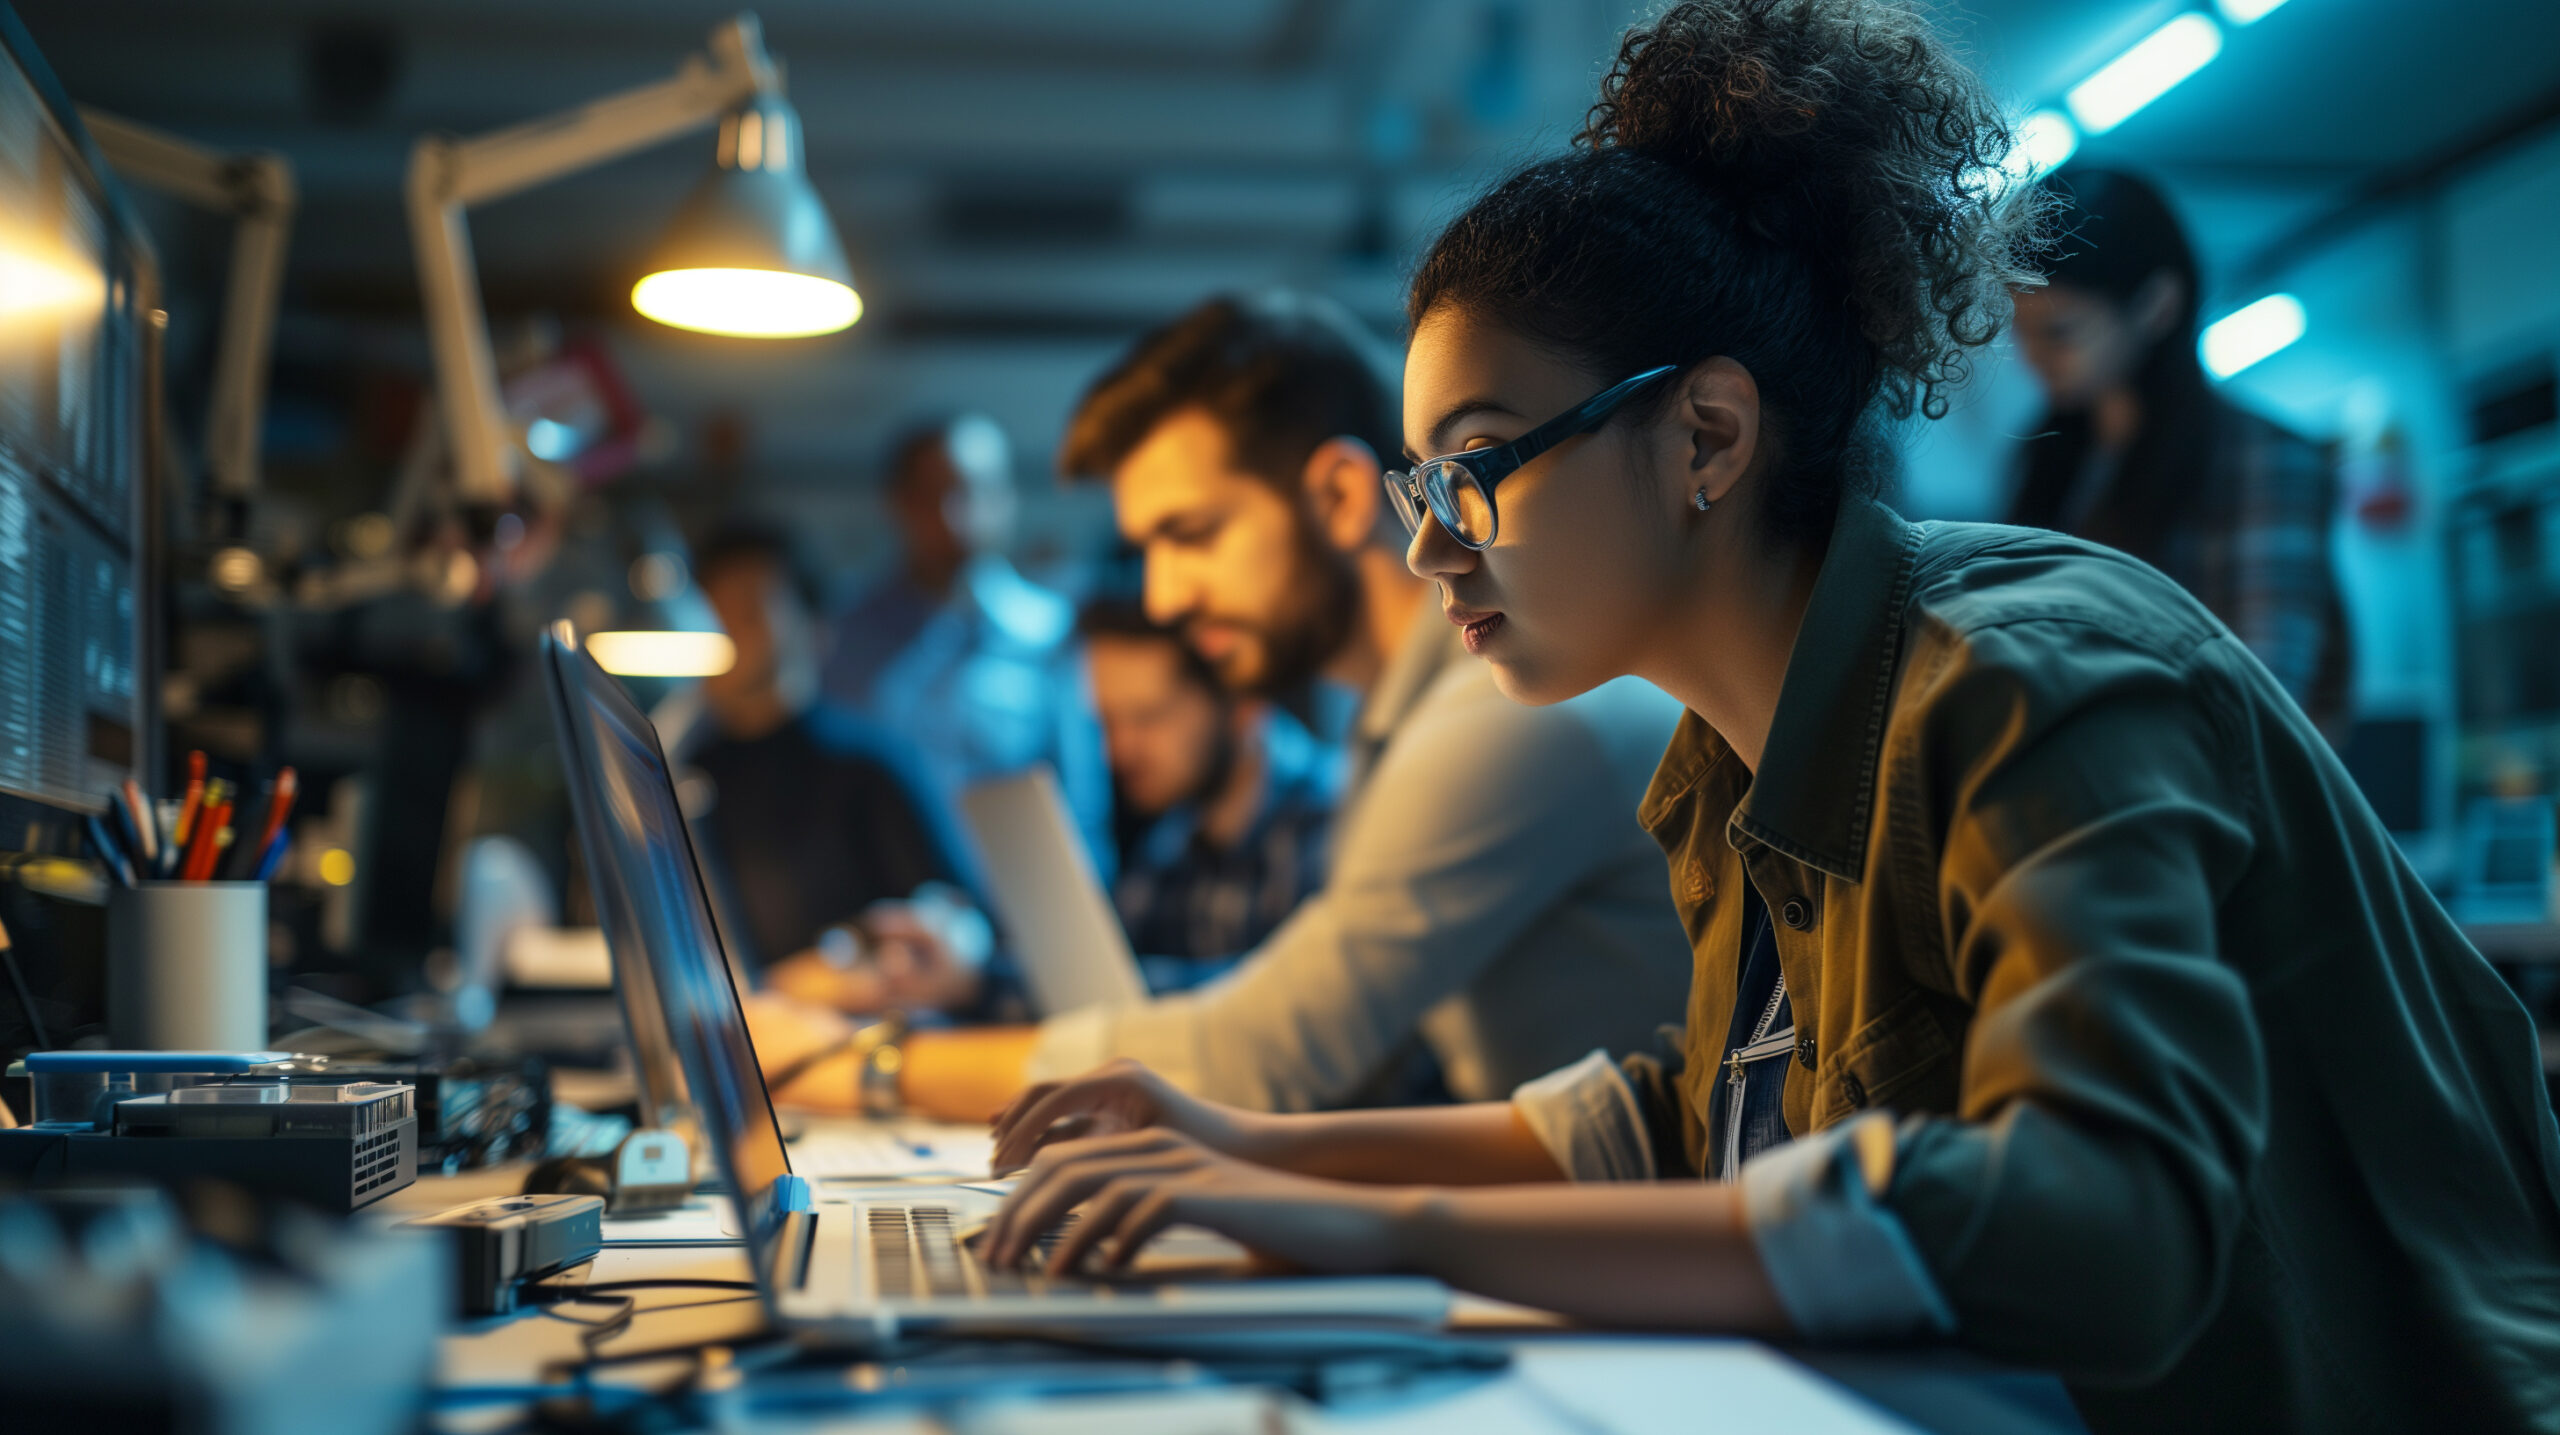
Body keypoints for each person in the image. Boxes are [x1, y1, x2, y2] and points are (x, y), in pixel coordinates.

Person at [963, 5, 2560, 1433]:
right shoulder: (1724, 763)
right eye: (1418, 483)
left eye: (1477, 465)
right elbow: (1700, 1113)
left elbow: (2108, 1229)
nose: (1427, 542)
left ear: (1706, 435)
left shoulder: (2030, 682)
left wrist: (1391, 1234)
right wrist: (1249, 1146)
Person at [747, 291, 1694, 1123]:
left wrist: (861, 1063)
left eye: (1191, 534)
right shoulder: (1397, 722)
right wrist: (983, 987)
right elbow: (1302, 1025)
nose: (1162, 597)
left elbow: (1270, 1055)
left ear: (1335, 495)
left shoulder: (1506, 711)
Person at [2006, 168, 2352, 732]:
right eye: (2020, 331)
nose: (2031, 356)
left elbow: (2266, 693)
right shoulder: (2057, 457)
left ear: (2157, 306)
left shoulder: (2265, 460)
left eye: (2059, 331)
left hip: (2201, 803)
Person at [683, 523, 987, 1015]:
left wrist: (854, 957)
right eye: (713, 609)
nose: (727, 626)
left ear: (814, 627)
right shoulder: (683, 777)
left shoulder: (868, 765)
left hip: (856, 1028)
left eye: (749, 607)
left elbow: (948, 912)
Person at [819, 413, 1112, 859]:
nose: (956, 515)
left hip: (1012, 915)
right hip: (889, 912)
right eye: (934, 494)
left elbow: (1080, 810)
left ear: (1007, 498)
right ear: (898, 502)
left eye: (977, 490)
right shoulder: (847, 636)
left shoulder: (1048, 635)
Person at [1081, 595, 1338, 991]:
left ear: (1243, 703)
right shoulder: (1169, 843)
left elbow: (1298, 1001)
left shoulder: (1332, 826)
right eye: (1107, 722)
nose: (1117, 752)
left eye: (1148, 717)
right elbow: (1105, 977)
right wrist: (975, 980)